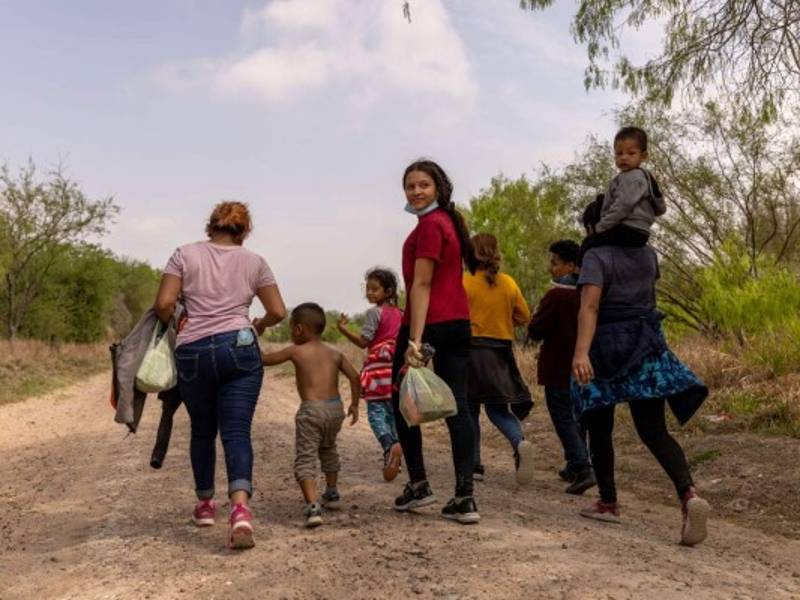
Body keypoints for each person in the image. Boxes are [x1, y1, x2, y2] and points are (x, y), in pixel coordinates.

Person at [571, 203, 711, 546]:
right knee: (653, 430)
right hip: (644, 344)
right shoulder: (647, 254)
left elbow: (590, 305)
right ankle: (688, 494)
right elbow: (648, 296)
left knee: (598, 425)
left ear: (596, 225)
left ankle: (608, 501)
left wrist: (580, 352)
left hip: (604, 347)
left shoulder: (596, 256)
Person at [154, 201, 286, 550]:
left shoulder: (184, 254)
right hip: (240, 346)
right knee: (236, 431)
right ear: (243, 232)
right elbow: (277, 311)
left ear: (210, 226)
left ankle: (205, 505)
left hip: (193, 350)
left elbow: (164, 304)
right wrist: (258, 324)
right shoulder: (255, 261)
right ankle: (240, 510)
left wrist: (180, 322)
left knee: (202, 430)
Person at [391, 159, 480, 524]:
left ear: (439, 188)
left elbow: (422, 284)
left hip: (429, 324)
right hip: (459, 322)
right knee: (456, 405)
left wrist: (415, 340)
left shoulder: (430, 226)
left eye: (423, 185)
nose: (416, 191)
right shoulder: (447, 223)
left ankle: (419, 484)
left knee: (401, 398)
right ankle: (464, 497)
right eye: (410, 186)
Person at [262, 303, 360, 528]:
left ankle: (313, 506)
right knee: (328, 448)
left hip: (312, 410)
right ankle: (332, 494)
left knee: (306, 456)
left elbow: (265, 360)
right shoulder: (335, 353)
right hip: (336, 410)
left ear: (298, 330)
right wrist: (354, 404)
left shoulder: (296, 351)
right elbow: (355, 377)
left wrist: (253, 334)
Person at [462, 233, 534, 485]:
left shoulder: (464, 281)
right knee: (498, 409)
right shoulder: (508, 283)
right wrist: (504, 317)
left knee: (470, 409)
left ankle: (474, 466)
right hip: (500, 353)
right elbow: (524, 316)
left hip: (471, 352)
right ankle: (519, 442)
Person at [528, 240, 596, 494]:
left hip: (558, 366)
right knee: (579, 417)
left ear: (569, 265)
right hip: (586, 367)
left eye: (555, 262)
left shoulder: (556, 295)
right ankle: (574, 464)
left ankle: (581, 466)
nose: (551, 268)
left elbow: (536, 329)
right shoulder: (589, 293)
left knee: (563, 417)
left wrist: (533, 321)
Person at [337, 268, 404, 481]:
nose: (370, 293)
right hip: (396, 371)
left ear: (389, 291)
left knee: (376, 415)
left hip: (377, 372)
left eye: (374, 289)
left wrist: (343, 330)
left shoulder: (375, 313)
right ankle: (396, 452)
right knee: (394, 414)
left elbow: (364, 341)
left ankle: (388, 446)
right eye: (368, 289)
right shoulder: (401, 314)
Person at [578, 126, 666, 263]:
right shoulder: (645, 177)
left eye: (631, 153)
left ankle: (576, 276)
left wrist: (600, 227)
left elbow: (622, 206)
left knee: (589, 243)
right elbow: (661, 207)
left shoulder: (631, 178)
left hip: (628, 229)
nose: (624, 158)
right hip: (640, 231)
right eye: (619, 154)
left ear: (643, 156)